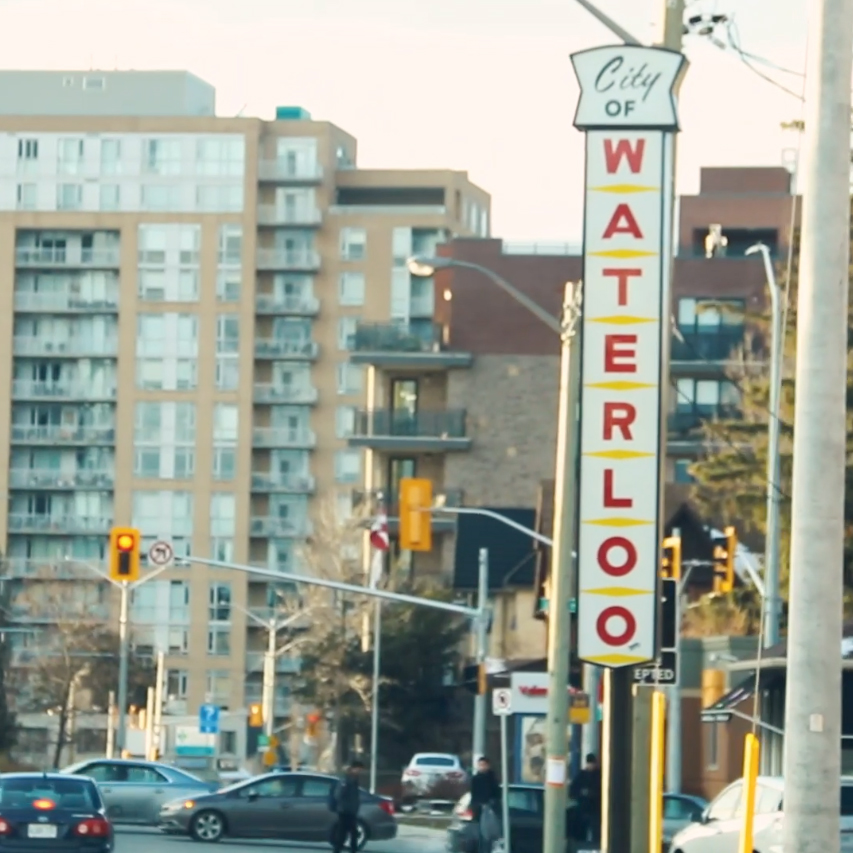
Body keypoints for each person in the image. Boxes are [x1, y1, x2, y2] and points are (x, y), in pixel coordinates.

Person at [329, 760, 363, 853]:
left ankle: (347, 850)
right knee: (344, 833)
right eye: (358, 769)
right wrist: (345, 806)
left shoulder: (354, 779)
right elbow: (338, 794)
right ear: (353, 768)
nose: (359, 771)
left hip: (351, 811)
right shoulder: (346, 779)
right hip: (345, 811)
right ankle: (339, 850)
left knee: (351, 833)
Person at [470, 756, 501, 852]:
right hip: (478, 811)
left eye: (484, 765)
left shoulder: (492, 779)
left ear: (488, 766)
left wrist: (492, 804)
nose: (482, 767)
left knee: (489, 836)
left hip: (490, 810)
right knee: (479, 836)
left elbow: (497, 794)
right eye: (480, 765)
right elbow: (473, 794)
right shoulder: (475, 779)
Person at [570, 753, 601, 845]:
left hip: (594, 809)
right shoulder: (582, 775)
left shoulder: (597, 775)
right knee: (582, 832)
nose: (591, 766)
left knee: (595, 832)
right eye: (590, 763)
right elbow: (573, 791)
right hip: (585, 809)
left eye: (592, 763)